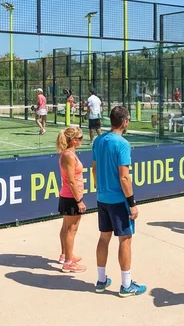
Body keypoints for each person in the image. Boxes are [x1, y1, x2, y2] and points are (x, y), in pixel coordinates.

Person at [92, 106, 146, 297]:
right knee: (125, 239)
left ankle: (101, 281)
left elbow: (94, 169)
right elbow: (124, 177)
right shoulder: (122, 144)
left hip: (102, 198)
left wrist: (100, 188)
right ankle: (126, 285)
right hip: (118, 200)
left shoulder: (98, 140)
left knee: (104, 237)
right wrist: (132, 204)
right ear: (124, 122)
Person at [56, 126, 87, 273]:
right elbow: (71, 181)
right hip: (71, 197)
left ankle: (66, 255)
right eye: (80, 138)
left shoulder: (68, 154)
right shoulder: (68, 155)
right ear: (74, 140)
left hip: (68, 196)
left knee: (66, 227)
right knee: (71, 230)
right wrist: (79, 200)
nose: (82, 140)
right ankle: (68, 263)